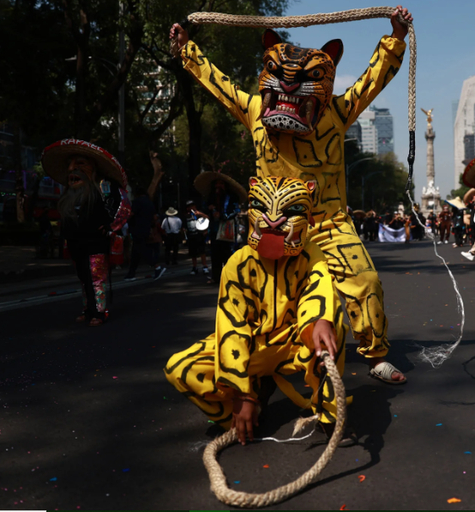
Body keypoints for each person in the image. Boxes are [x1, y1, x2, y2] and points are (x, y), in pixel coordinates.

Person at [169, 7, 413, 384]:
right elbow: (217, 83)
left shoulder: (337, 113)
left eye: (304, 82)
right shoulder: (254, 110)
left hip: (329, 224)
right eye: (280, 78)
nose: (288, 88)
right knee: (264, 293)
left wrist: (396, 37)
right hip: (274, 224)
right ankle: (263, 358)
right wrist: (187, 49)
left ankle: (375, 354)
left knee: (365, 282)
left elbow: (372, 81)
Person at [164, 176, 354, 445]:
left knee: (333, 330)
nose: (274, 220)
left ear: (309, 217)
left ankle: (330, 414)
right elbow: (232, 325)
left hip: (294, 342)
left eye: (292, 210)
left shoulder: (311, 255)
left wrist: (321, 320)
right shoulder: (237, 263)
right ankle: (246, 411)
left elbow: (319, 289)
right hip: (252, 344)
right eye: (262, 208)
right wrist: (240, 392)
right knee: (179, 368)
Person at [41, 139, 131, 326]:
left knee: (96, 278)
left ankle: (99, 312)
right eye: (70, 165)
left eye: (80, 164)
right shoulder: (70, 193)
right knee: (83, 278)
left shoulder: (104, 185)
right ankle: (88, 309)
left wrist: (110, 226)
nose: (72, 169)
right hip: (76, 243)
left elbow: (123, 206)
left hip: (95, 243)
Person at [194, 172, 247, 285]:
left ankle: (230, 276)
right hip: (214, 228)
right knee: (215, 254)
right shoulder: (210, 197)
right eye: (217, 184)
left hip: (228, 228)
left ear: (225, 185)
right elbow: (205, 209)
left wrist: (223, 216)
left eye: (221, 183)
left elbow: (235, 210)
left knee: (228, 253)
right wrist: (210, 209)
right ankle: (216, 277)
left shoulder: (232, 197)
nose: (219, 186)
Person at [124, 187, 164, 281]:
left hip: (137, 228)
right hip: (146, 228)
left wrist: (123, 219)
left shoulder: (137, 202)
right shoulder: (149, 202)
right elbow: (154, 217)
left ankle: (157, 266)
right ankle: (131, 273)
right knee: (136, 252)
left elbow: (132, 214)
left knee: (141, 250)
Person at [184, 200, 210, 276]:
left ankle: (205, 266)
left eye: (192, 206)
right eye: (189, 206)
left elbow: (208, 218)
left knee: (202, 251)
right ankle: (194, 267)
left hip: (199, 235)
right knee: (193, 253)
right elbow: (184, 226)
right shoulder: (186, 216)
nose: (191, 207)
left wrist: (200, 214)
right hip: (191, 236)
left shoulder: (199, 213)